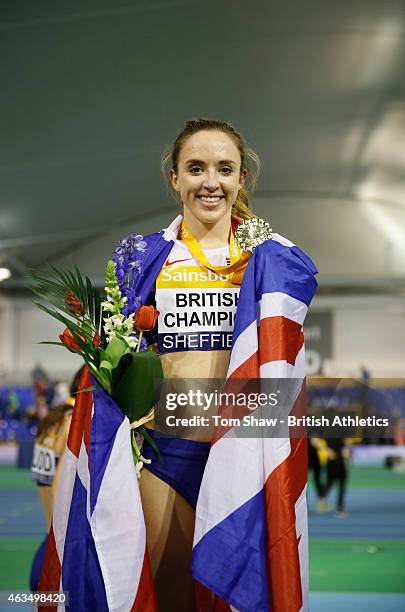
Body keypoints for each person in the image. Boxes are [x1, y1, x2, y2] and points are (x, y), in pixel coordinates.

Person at [114, 118, 317, 611]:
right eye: (196, 168)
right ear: (175, 179)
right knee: (170, 600)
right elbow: (116, 356)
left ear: (241, 178)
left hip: (247, 460)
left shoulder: (272, 262)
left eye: (225, 169)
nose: (211, 182)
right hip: (167, 455)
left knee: (241, 600)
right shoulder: (142, 257)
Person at [29, 366, 84, 590]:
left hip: (45, 545)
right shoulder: (72, 423)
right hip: (59, 552)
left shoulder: (53, 420)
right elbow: (57, 488)